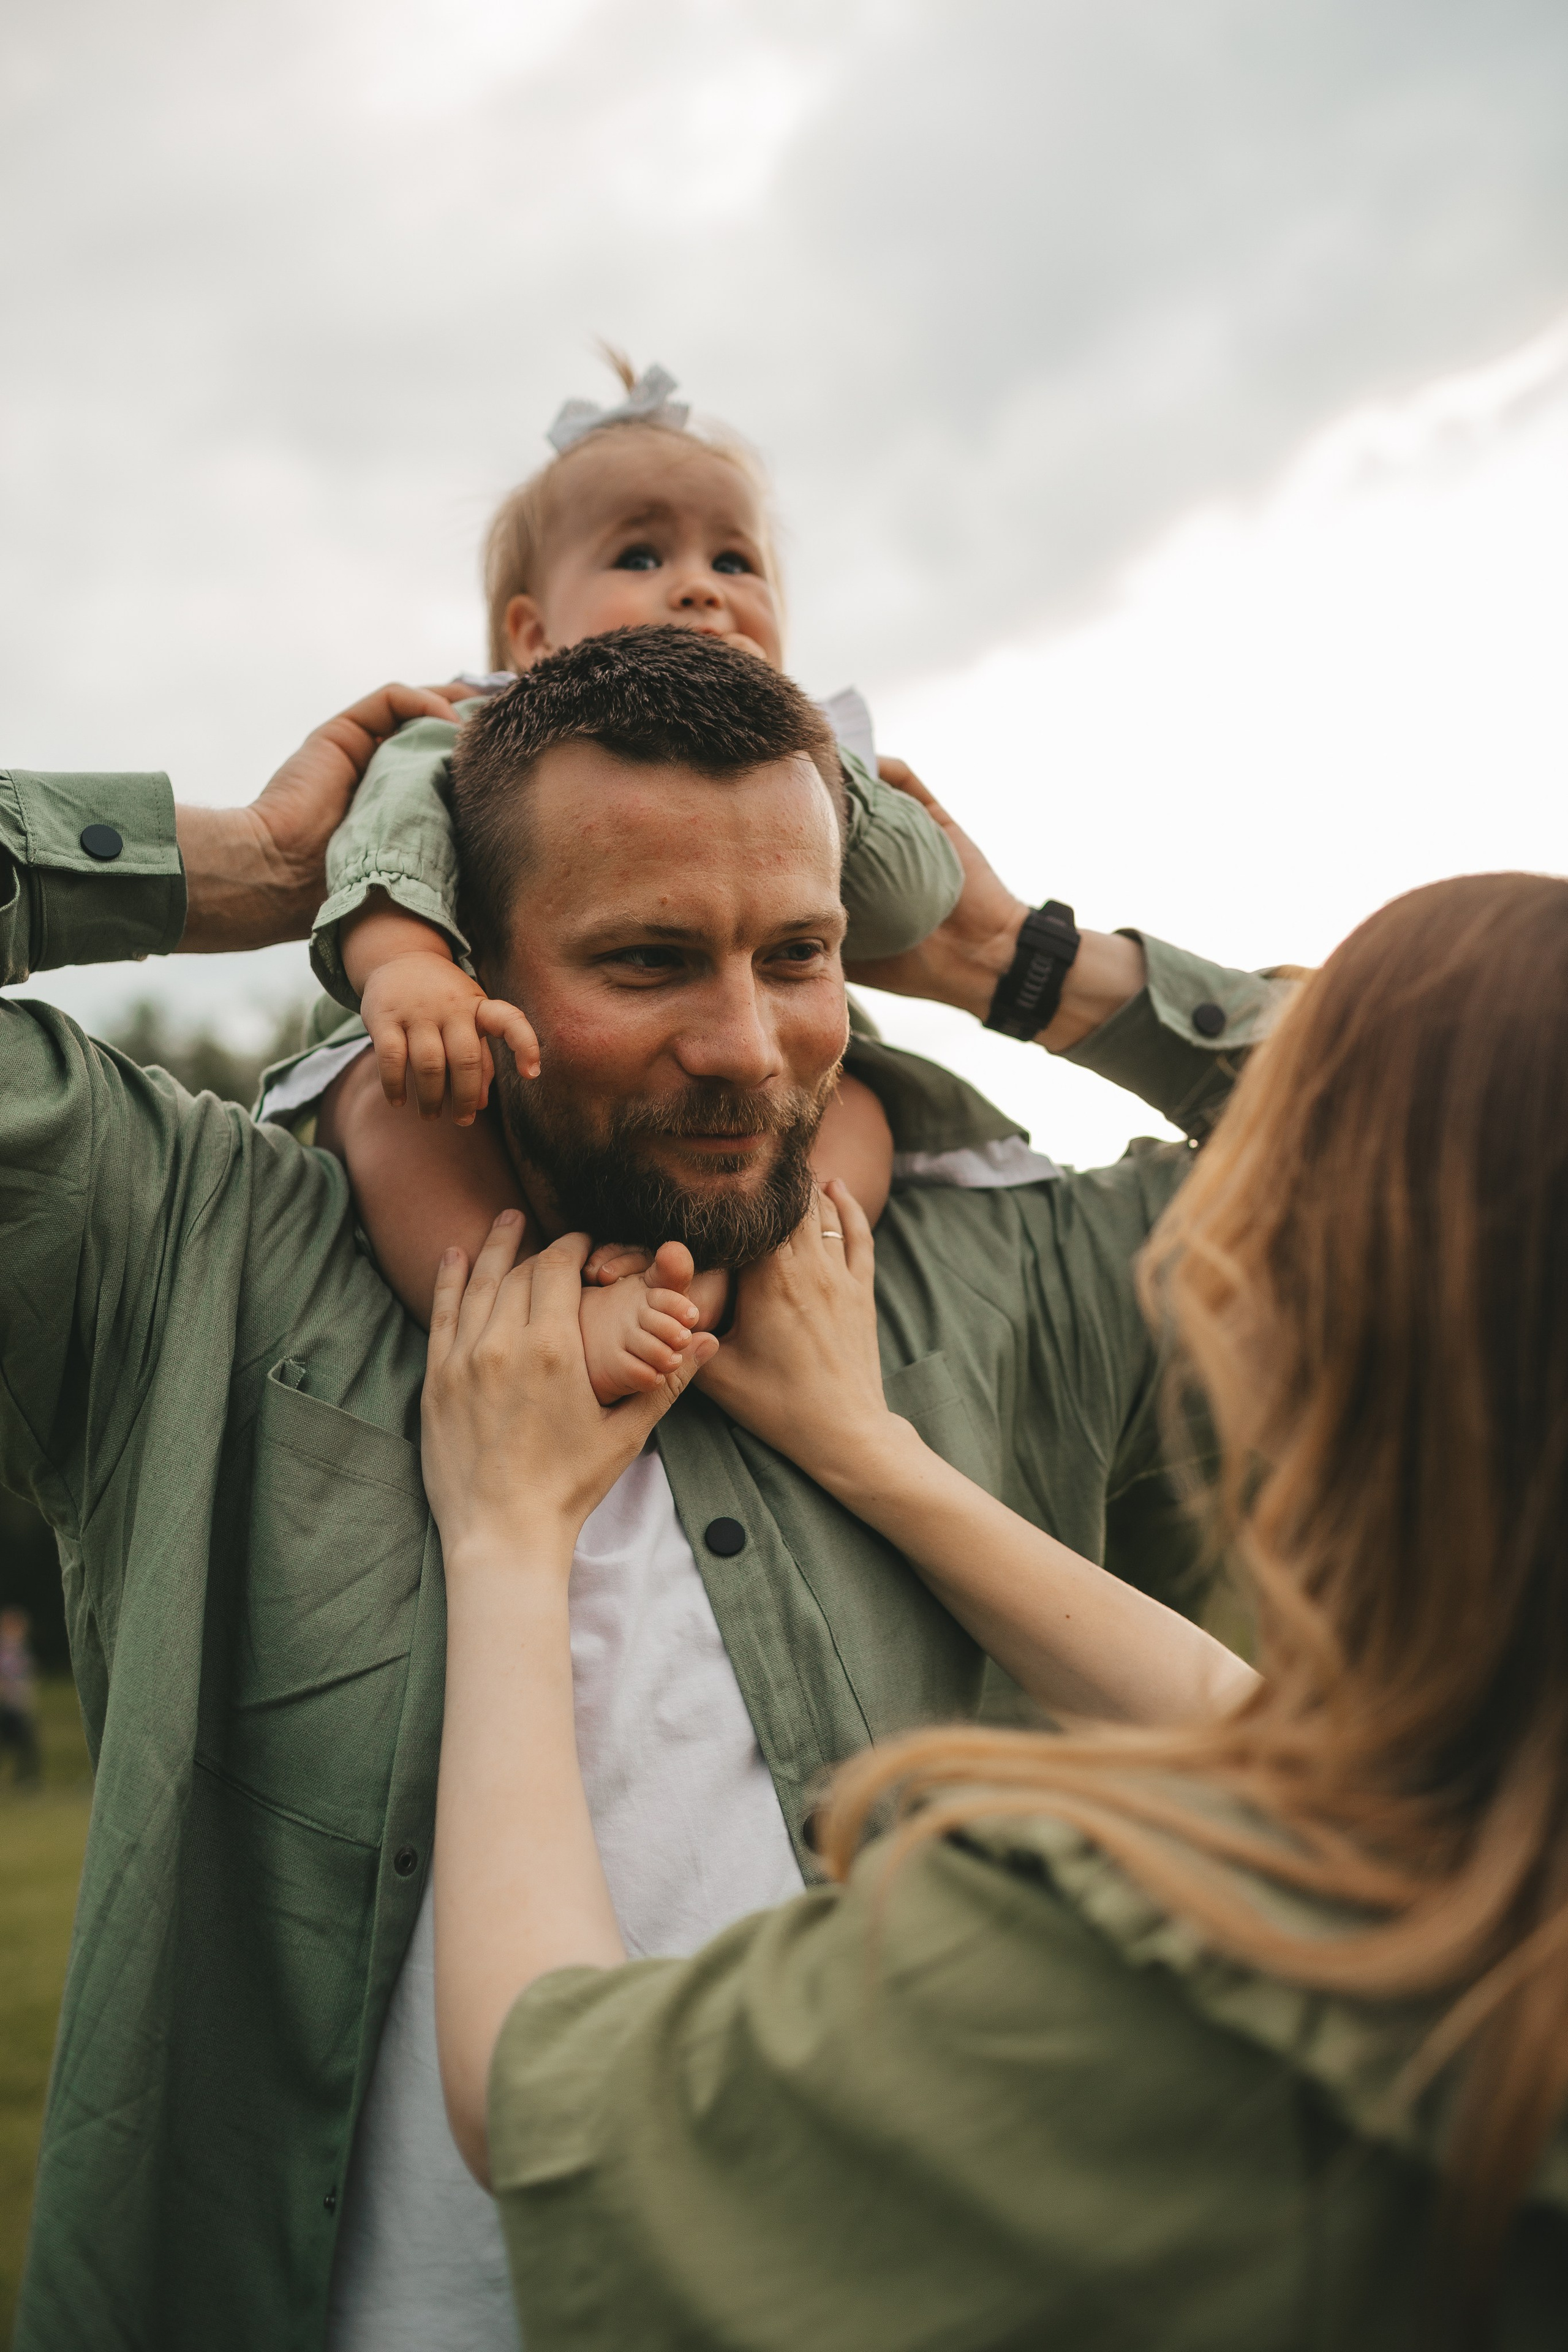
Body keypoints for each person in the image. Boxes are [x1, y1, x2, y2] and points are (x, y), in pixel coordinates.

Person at [1, 631, 1281, 2352]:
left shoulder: (1004, 1278)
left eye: (803, 951)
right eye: (651, 959)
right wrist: (264, 871)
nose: (751, 1047)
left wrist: (1012, 958)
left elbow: (1478, 1113)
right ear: (480, 963)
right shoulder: (199, 1261)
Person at [420, 871, 1568, 2352]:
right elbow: (1264, 1732)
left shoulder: (1127, 1970)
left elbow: (540, 2082)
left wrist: (507, 1538)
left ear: (1266, 1315)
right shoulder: (1478, 1842)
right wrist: (873, 1452)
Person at [264, 356, 966, 1333]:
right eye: (640, 557)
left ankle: (755, 1284)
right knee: (394, 1114)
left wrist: (829, 772)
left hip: (758, 1134)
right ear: (533, 631)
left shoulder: (812, 766)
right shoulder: (469, 733)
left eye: (735, 562)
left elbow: (908, 902)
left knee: (864, 1115)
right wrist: (409, 965)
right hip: (458, 1046)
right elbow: (388, 845)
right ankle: (513, 1322)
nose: (698, 590)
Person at [0, 1605, 41, 1787]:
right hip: (7, 1705)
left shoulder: (23, 1649)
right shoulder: (6, 1650)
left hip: (20, 1704)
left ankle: (26, 1780)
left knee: (27, 1745)